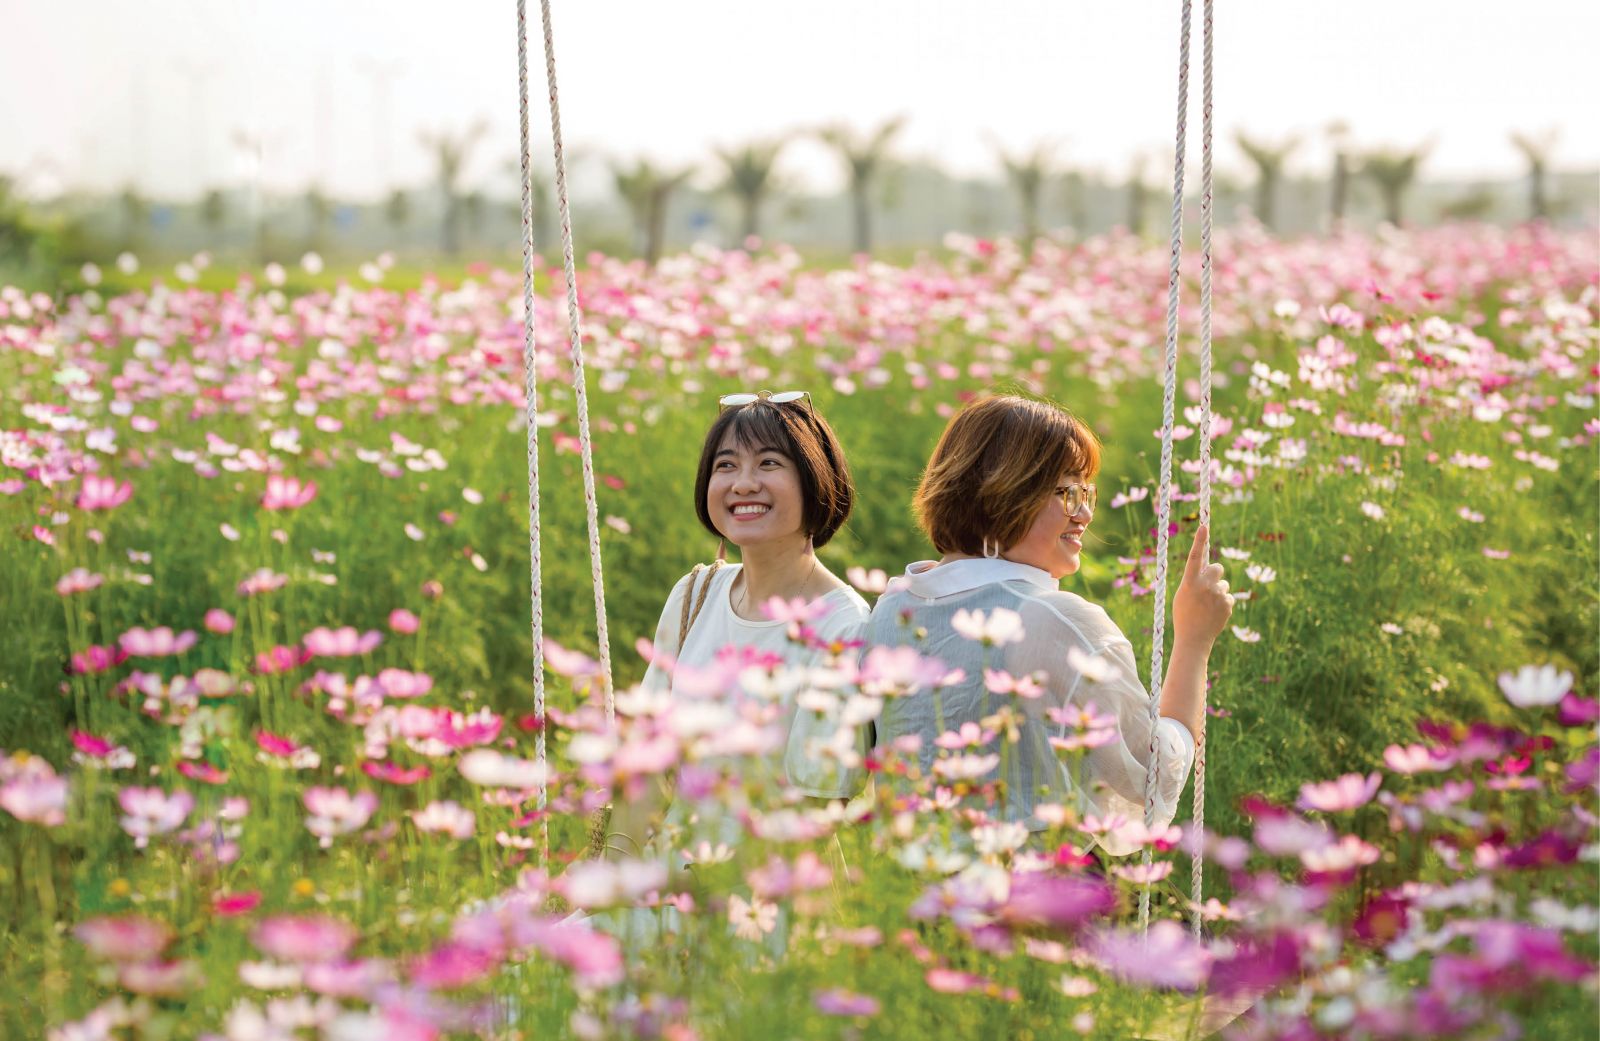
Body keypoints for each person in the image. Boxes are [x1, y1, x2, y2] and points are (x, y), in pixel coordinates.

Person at [866, 394, 1234, 857]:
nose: (1085, 513)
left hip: (901, 901)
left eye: (1088, 493)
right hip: (1021, 904)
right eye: (1068, 492)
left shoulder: (894, 607)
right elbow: (1150, 782)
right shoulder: (1051, 619)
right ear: (1004, 489)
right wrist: (1195, 639)